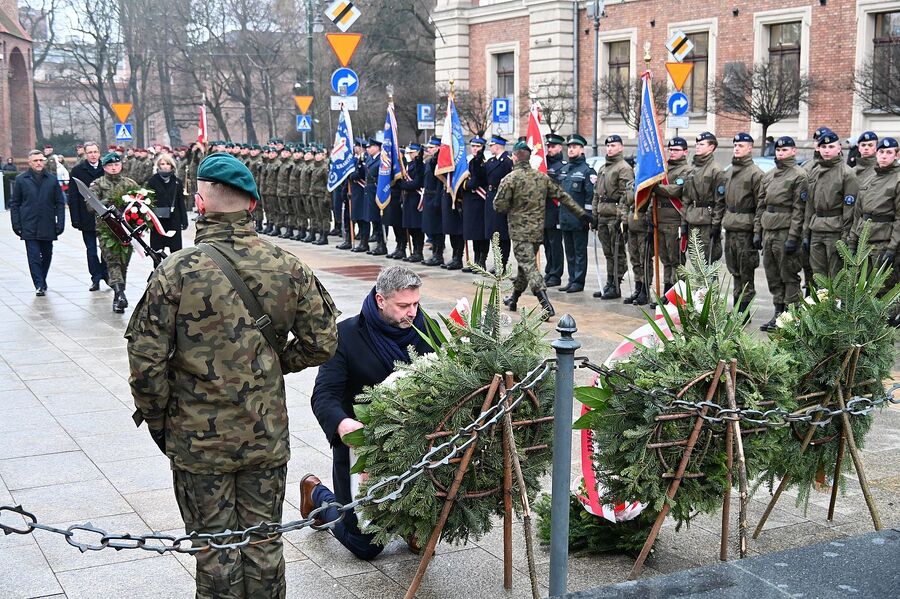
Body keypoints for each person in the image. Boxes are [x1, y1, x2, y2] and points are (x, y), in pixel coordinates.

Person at [126, 153, 338, 598]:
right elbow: (322, 342)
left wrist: (163, 424)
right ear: (253, 206)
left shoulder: (176, 271)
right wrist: (274, 363)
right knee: (263, 546)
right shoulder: (288, 265)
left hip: (198, 443)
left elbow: (146, 364)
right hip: (265, 435)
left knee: (216, 551)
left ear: (200, 207)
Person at [304, 265, 432, 559]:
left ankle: (409, 522)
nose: (411, 312)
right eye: (403, 306)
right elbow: (324, 394)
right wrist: (342, 422)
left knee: (427, 533)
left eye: (415, 304)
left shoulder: (427, 331)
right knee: (366, 547)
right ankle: (317, 495)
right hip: (360, 445)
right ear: (380, 300)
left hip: (415, 443)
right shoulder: (347, 335)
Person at [495, 141, 592, 318]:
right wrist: (582, 214)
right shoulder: (541, 178)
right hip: (537, 231)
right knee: (524, 267)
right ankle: (514, 299)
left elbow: (498, 206)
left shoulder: (510, 179)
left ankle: (546, 305)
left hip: (519, 232)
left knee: (529, 268)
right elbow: (563, 196)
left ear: (515, 157)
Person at [757, 136, 810, 331]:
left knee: (788, 275)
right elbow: (761, 206)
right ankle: (778, 313)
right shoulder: (769, 175)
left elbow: (799, 209)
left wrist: (794, 237)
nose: (780, 153)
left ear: (793, 151)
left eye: (785, 150)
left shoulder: (799, 175)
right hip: (769, 231)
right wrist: (757, 232)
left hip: (785, 232)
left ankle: (790, 316)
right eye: (778, 150)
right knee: (773, 275)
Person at [656, 131, 726, 265]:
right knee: (695, 263)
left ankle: (708, 287)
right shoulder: (693, 170)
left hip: (707, 221)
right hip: (692, 220)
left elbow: (720, 201)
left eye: (702, 144)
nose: (698, 146)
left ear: (711, 147)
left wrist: (716, 225)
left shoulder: (716, 170)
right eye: (697, 144)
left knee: (707, 265)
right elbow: (686, 199)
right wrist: (684, 223)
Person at [9, 150, 66, 296]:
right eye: (35, 161)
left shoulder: (52, 180)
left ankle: (42, 278)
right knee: (34, 256)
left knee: (47, 255)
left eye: (41, 160)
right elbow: (15, 203)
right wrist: (16, 224)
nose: (39, 163)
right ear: (29, 163)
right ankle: (39, 284)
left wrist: (60, 222)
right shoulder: (22, 179)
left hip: (47, 224)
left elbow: (59, 203)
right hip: (29, 224)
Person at [803, 130, 859, 278]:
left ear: (839, 148)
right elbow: (809, 205)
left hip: (836, 230)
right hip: (816, 229)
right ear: (819, 149)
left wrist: (847, 239)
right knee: (817, 276)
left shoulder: (847, 173)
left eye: (831, 147)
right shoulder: (814, 172)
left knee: (837, 277)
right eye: (823, 147)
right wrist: (805, 233)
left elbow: (850, 210)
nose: (827, 150)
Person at [90, 152, 138, 313]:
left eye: (116, 165)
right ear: (104, 167)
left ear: (121, 166)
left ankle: (118, 295)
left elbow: (140, 204)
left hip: (126, 229)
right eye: (110, 165)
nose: (114, 168)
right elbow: (90, 206)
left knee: (124, 262)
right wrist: (109, 201)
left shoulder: (130, 184)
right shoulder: (97, 184)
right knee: (113, 261)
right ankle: (120, 293)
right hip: (106, 230)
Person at [722, 132, 765, 312]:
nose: (737, 148)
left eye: (741, 146)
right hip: (731, 227)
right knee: (734, 271)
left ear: (750, 148)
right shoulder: (730, 172)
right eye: (735, 145)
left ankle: (744, 311)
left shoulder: (755, 174)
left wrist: (757, 233)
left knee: (746, 272)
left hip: (746, 230)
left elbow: (760, 206)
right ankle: (737, 306)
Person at [592, 135, 633, 299]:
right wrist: (594, 215)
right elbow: (596, 194)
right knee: (608, 252)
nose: (610, 148)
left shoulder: (624, 168)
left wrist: (621, 218)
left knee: (618, 252)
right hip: (603, 214)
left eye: (613, 145)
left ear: (621, 147)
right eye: (608, 145)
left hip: (614, 215)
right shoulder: (603, 168)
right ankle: (610, 282)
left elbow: (626, 196)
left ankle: (616, 284)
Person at [557, 134, 595, 294]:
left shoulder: (587, 171)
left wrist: (588, 217)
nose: (571, 149)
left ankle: (578, 281)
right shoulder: (564, 169)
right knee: (569, 252)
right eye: (570, 147)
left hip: (579, 220)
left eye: (574, 147)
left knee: (579, 253)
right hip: (565, 218)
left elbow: (590, 196)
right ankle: (571, 279)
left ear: (582, 149)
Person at [68, 141, 109, 291]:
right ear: (85, 154)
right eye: (90, 152)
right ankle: (95, 277)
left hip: (104, 217)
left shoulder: (106, 168)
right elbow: (73, 196)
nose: (93, 155)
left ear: (99, 153)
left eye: (95, 152)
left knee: (106, 249)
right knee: (91, 250)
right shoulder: (78, 170)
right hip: (86, 217)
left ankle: (106, 273)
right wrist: (75, 218)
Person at [655, 138, 690, 295]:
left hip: (675, 220)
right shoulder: (664, 170)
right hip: (661, 219)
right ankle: (667, 292)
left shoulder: (686, 170)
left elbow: (675, 190)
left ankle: (679, 295)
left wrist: (655, 187)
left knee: (677, 261)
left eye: (676, 150)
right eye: (671, 150)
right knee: (665, 260)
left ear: (685, 152)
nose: (672, 153)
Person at [144, 153, 188, 253]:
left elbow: (180, 202)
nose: (165, 166)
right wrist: (147, 220)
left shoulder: (177, 182)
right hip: (158, 221)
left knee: (176, 252)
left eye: (168, 163)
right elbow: (148, 201)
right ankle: (158, 269)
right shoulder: (152, 181)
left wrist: (184, 220)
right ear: (158, 166)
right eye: (162, 164)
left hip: (174, 220)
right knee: (157, 251)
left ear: (172, 166)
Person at [483, 135, 513, 270]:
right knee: (492, 232)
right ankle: (497, 262)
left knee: (502, 234)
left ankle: (502, 264)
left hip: (502, 199)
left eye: (491, 145)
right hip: (491, 197)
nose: (490, 148)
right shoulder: (490, 161)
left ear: (497, 146)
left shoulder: (507, 162)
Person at [461, 136, 488, 270]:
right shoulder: (468, 160)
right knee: (472, 232)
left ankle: (481, 261)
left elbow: (475, 182)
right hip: (470, 202)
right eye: (473, 146)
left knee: (481, 233)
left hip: (480, 201)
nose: (475, 149)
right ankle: (475, 261)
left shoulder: (482, 161)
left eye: (478, 146)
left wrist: (465, 184)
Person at [543, 133, 567, 287]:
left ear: (560, 148)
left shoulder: (563, 166)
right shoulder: (543, 166)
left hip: (556, 211)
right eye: (548, 146)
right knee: (546, 244)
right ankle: (549, 270)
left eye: (552, 146)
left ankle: (556, 274)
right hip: (543, 210)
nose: (549, 149)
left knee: (555, 244)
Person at [399, 143, 426, 262]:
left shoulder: (420, 166)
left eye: (412, 152)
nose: (409, 155)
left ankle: (418, 251)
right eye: (408, 153)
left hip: (416, 199)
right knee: (410, 227)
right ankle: (414, 251)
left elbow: (417, 183)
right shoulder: (408, 166)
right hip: (408, 199)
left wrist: (402, 185)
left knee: (417, 227)